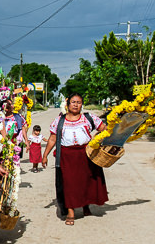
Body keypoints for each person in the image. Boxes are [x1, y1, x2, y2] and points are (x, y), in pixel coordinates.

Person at [42, 93, 108, 226]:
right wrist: (45, 155)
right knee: (69, 184)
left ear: (82, 104)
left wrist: (96, 140)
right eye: (73, 102)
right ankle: (71, 211)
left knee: (86, 182)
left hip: (86, 154)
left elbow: (104, 129)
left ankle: (85, 206)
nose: (76, 104)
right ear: (68, 104)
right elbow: (53, 139)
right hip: (67, 156)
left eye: (78, 102)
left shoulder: (89, 118)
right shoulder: (60, 120)